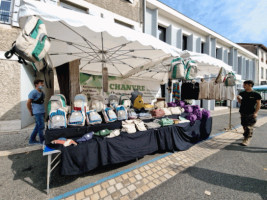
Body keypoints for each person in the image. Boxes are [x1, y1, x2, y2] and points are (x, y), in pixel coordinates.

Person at [237, 80, 261, 146]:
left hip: (251, 112)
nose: (243, 86)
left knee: (249, 127)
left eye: (245, 85)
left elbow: (259, 104)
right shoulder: (242, 93)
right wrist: (238, 99)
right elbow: (241, 103)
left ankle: (246, 139)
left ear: (250, 85)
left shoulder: (256, 94)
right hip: (242, 112)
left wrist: (256, 113)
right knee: (244, 125)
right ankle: (247, 135)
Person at [27, 79, 45, 145]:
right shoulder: (33, 92)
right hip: (37, 112)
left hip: (42, 111)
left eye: (43, 83)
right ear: (36, 84)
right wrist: (30, 111)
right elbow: (28, 103)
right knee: (41, 127)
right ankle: (42, 141)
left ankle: (32, 140)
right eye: (41, 83)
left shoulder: (42, 92)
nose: (42, 84)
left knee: (38, 126)